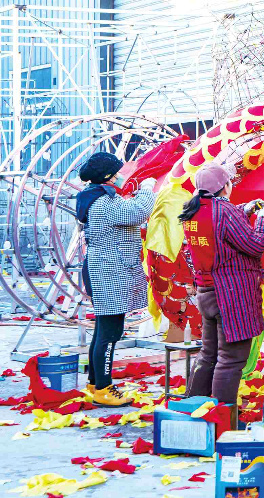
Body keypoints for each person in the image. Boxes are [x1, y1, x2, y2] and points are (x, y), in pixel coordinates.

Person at [179, 164, 264, 405]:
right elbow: (254, 245)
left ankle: (194, 407)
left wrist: (244, 209)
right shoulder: (224, 211)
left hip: (206, 292)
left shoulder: (193, 209)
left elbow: (218, 228)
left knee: (208, 355)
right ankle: (222, 416)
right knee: (231, 359)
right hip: (230, 295)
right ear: (225, 186)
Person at [76, 151, 157, 407]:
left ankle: (94, 382)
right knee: (111, 332)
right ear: (108, 177)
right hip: (109, 273)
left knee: (103, 329)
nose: (122, 175)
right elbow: (138, 212)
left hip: (104, 270)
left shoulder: (95, 198)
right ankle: (104, 388)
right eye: (118, 172)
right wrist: (147, 189)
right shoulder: (104, 203)